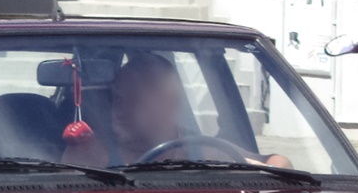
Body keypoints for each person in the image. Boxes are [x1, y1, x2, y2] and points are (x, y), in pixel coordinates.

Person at [66, 53, 290, 168]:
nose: (119, 109)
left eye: (134, 101)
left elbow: (276, 164)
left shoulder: (202, 151)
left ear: (170, 105)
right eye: (118, 99)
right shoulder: (91, 154)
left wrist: (278, 171)